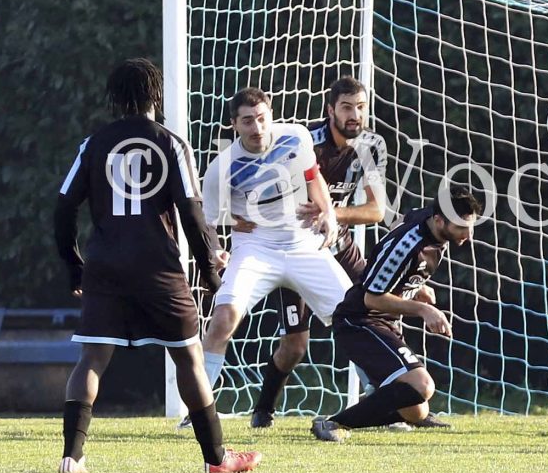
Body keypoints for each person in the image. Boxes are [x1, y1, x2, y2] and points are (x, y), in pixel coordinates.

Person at [54, 58, 260, 473]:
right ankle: (216, 459)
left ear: (115, 97)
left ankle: (71, 457)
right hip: (159, 269)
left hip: (105, 268)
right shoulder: (171, 144)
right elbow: (192, 213)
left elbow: (62, 208)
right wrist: (209, 269)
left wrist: (75, 266)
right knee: (189, 359)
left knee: (92, 359)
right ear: (156, 95)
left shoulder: (94, 144)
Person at [248, 76, 394, 428]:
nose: (354, 115)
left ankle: (396, 399)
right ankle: (263, 410)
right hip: (295, 245)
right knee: (295, 345)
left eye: (360, 107)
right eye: (346, 107)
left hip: (337, 239)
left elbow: (376, 211)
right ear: (330, 110)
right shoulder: (304, 143)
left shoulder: (371, 146)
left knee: (376, 309)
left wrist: (331, 212)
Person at [197, 88, 350, 403]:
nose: (257, 128)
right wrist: (217, 247)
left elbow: (313, 177)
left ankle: (388, 397)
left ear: (271, 116)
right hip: (256, 248)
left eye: (262, 118)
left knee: (355, 316)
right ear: (234, 124)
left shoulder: (296, 136)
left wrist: (329, 213)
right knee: (223, 319)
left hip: (303, 243)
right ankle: (198, 410)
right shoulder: (220, 169)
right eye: (247, 121)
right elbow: (208, 220)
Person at [311, 189, 481, 441]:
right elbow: (372, 298)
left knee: (416, 410)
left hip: (383, 321)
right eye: (461, 228)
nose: (468, 235)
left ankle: (374, 406)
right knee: (422, 386)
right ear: (439, 221)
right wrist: (423, 310)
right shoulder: (408, 246)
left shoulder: (428, 219)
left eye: (470, 227)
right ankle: (334, 423)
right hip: (359, 322)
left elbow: (405, 219)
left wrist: (414, 286)